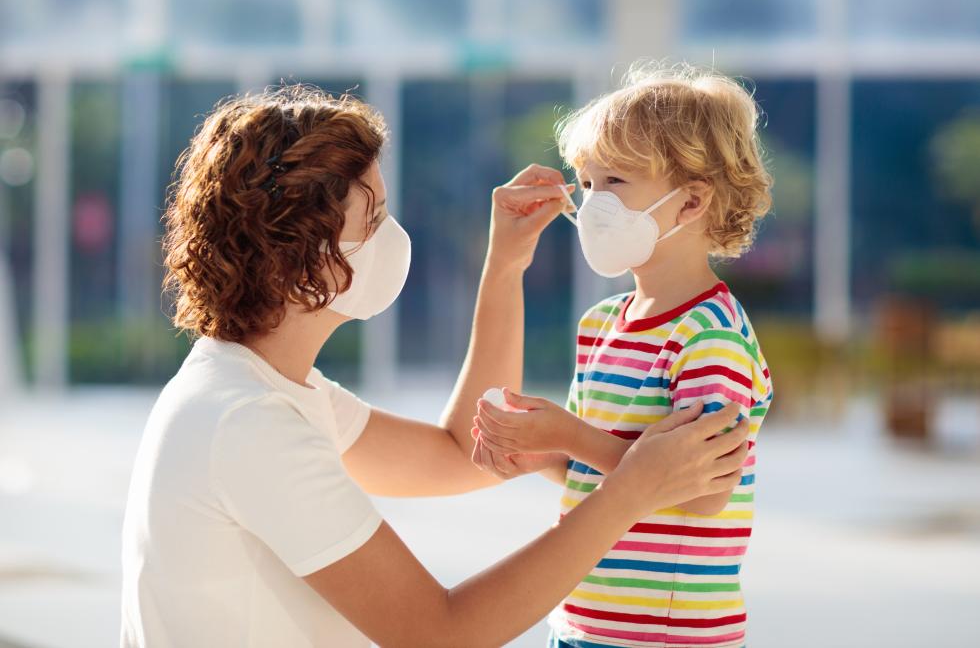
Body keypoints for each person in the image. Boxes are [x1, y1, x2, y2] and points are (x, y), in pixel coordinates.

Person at [119, 84, 750, 648]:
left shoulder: (273, 391)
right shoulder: (248, 422)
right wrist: (631, 489)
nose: (394, 236)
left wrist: (505, 266)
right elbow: (440, 635)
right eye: (374, 219)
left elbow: (458, 454)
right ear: (305, 260)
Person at [473, 64, 775, 648]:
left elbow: (707, 488)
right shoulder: (602, 324)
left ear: (690, 202)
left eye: (614, 182)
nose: (590, 205)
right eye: (584, 185)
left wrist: (567, 433)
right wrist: (539, 454)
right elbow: (597, 467)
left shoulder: (710, 336)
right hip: (580, 620)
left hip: (667, 636)